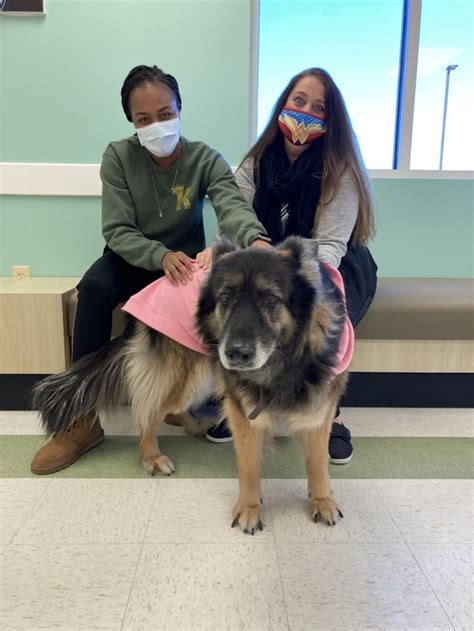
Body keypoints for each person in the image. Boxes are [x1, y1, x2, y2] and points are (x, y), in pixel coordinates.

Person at [31, 64, 270, 475]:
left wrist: (257, 240)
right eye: (144, 119)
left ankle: (174, 404)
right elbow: (117, 228)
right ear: (131, 122)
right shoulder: (118, 157)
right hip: (133, 258)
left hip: (185, 265)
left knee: (192, 326)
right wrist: (158, 255)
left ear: (179, 109)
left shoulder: (204, 158)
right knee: (92, 289)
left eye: (165, 114)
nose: (157, 125)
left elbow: (232, 205)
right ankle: (81, 419)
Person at [205, 67, 377, 464]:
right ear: (283, 104)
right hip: (263, 264)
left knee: (320, 318)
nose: (305, 113)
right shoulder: (255, 163)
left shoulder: (341, 169)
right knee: (232, 303)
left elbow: (332, 247)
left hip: (332, 268)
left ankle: (327, 415)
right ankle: (244, 401)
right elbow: (233, 217)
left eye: (319, 108)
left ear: (331, 121)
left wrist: (286, 271)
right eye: (298, 101)